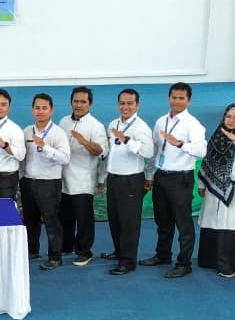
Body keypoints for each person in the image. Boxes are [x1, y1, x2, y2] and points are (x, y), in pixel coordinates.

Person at [141, 83, 207, 279]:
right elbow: (155, 151)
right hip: (161, 175)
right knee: (162, 220)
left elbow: (201, 151)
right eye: (174, 97)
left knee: (183, 223)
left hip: (181, 178)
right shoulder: (161, 121)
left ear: (189, 100)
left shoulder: (193, 124)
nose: (177, 101)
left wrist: (180, 144)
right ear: (169, 98)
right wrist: (149, 175)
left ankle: (184, 263)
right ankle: (163, 255)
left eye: (181, 98)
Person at [196, 104, 235, 278]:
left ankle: (230, 264)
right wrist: (202, 184)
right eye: (228, 116)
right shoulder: (218, 134)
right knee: (213, 220)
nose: (231, 120)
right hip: (213, 189)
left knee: (230, 223)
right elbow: (208, 160)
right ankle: (210, 260)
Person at [101, 88, 155, 275]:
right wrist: (102, 178)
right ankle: (119, 251)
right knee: (115, 219)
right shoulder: (113, 124)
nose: (125, 107)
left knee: (129, 222)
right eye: (122, 103)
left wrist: (127, 140)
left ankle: (128, 261)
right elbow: (111, 153)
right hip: (114, 177)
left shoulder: (141, 127)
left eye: (130, 103)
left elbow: (148, 152)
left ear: (137, 105)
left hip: (131, 179)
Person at [21, 93, 71, 271]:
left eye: (44, 108)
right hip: (28, 181)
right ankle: (32, 250)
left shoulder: (58, 133)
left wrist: (45, 147)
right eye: (37, 108)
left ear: (51, 110)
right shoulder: (27, 131)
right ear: (32, 109)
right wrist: (22, 177)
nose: (40, 111)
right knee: (30, 220)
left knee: (51, 221)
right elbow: (23, 158)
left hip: (49, 183)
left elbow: (65, 158)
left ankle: (55, 257)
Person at [58, 86, 107, 267]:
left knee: (84, 219)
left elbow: (101, 152)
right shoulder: (63, 121)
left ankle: (84, 252)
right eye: (75, 101)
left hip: (83, 180)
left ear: (90, 104)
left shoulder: (96, 126)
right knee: (65, 217)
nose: (78, 105)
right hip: (63, 179)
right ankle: (66, 246)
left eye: (83, 102)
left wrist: (84, 141)